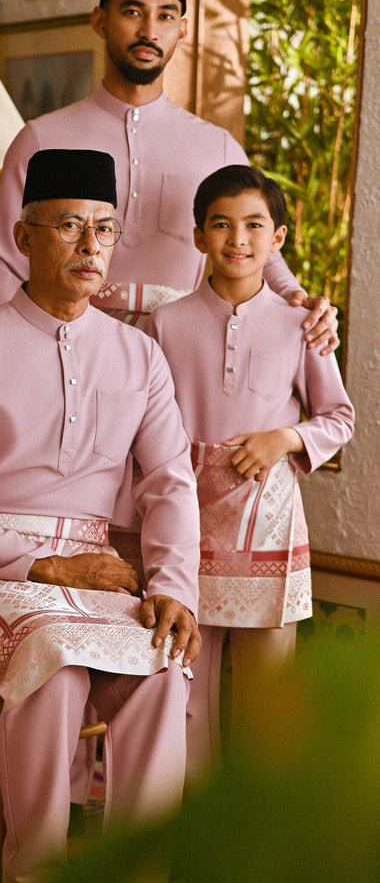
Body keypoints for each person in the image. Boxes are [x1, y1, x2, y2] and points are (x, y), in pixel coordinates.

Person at [0, 148, 202, 883]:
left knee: (163, 664)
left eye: (104, 228)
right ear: (23, 236)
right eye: (69, 226)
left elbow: (170, 483)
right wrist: (43, 566)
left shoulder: (140, 356)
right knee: (56, 657)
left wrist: (175, 589)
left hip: (96, 572)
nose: (90, 245)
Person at [0, 0, 337, 353]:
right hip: (61, 346)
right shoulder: (42, 138)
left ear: (182, 29)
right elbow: (5, 262)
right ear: (100, 20)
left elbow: (256, 244)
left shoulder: (217, 147)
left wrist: (297, 299)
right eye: (132, 12)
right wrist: (0, 351)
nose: (149, 31)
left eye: (166, 16)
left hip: (180, 353)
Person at [146, 164, 354, 783]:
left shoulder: (302, 325)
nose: (238, 239)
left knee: (266, 702)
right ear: (199, 235)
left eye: (254, 225)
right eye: (221, 225)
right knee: (182, 693)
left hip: (269, 529)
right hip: (184, 526)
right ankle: (185, 830)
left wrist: (284, 438)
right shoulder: (165, 323)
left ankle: (255, 830)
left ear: (278, 237)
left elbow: (339, 417)